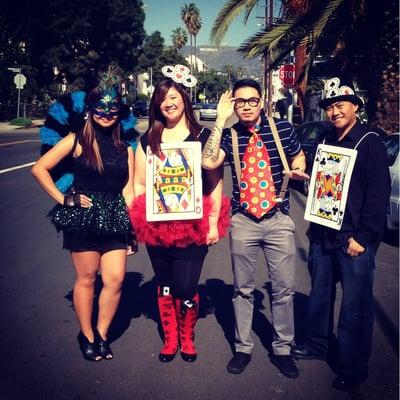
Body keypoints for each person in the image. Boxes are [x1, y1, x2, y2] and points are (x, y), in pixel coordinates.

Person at [202, 79, 309, 378]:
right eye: (240, 101)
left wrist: (297, 166)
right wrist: (221, 120)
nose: (246, 106)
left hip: (278, 219)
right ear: (233, 104)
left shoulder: (283, 129)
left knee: (283, 290)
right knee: (243, 290)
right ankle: (243, 348)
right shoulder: (229, 135)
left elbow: (298, 154)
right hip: (244, 220)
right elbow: (208, 162)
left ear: (261, 102)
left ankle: (283, 349)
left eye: (251, 100)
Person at [291, 77, 391, 391]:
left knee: (355, 307)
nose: (334, 112)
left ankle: (353, 366)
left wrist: (363, 237)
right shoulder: (325, 139)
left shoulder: (369, 142)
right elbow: (321, 187)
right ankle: (317, 343)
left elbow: (378, 194)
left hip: (354, 239)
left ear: (355, 107)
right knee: (319, 296)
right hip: (323, 234)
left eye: (340, 106)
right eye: (330, 107)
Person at [31, 67, 136, 362]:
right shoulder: (76, 139)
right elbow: (39, 169)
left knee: (115, 280)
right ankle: (86, 334)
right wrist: (64, 198)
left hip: (115, 218)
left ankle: (102, 333)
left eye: (112, 108)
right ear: (90, 110)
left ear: (119, 112)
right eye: (100, 108)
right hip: (82, 218)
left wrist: (132, 229)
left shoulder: (125, 147)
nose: (106, 113)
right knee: (87, 279)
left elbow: (128, 190)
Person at [130, 68, 230, 363]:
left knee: (185, 286)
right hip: (157, 226)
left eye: (173, 96)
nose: (168, 103)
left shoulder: (203, 136)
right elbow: (138, 183)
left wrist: (212, 222)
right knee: (163, 283)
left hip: (193, 225)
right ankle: (171, 337)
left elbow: (214, 177)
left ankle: (187, 336)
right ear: (156, 104)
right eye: (162, 98)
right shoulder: (148, 139)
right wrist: (141, 214)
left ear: (184, 99)